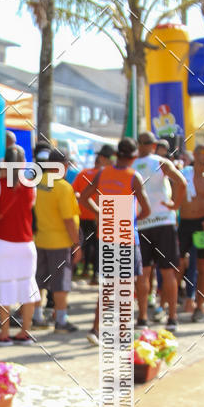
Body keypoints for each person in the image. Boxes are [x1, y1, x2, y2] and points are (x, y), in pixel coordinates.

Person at [78, 138, 151, 345]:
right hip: (126, 236)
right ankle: (122, 334)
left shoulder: (103, 173)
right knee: (126, 285)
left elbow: (83, 198)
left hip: (107, 234)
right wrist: (130, 219)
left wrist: (101, 213)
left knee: (108, 285)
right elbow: (146, 210)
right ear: (134, 156)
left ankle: (95, 328)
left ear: (117, 155)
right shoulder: (133, 176)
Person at [0, 147, 40, 344]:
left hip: (2, 243)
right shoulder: (32, 185)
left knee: (3, 286)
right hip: (26, 244)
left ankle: (4, 333)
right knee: (27, 285)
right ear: (23, 163)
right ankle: (25, 332)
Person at [134, 131, 187, 332]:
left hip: (143, 224)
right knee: (168, 273)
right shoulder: (161, 162)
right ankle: (172, 317)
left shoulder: (130, 165)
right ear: (153, 145)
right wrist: (175, 205)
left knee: (144, 274)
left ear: (139, 145)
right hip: (163, 222)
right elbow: (182, 182)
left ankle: (143, 318)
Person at [32, 146, 81, 332]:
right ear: (64, 165)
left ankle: (36, 316)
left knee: (38, 280)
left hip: (38, 239)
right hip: (59, 242)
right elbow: (69, 220)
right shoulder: (63, 187)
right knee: (60, 283)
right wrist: (76, 244)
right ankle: (61, 320)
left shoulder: (36, 182)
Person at [72, 144, 115, 283]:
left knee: (83, 244)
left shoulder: (83, 173)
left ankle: (83, 269)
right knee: (98, 246)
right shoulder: (107, 176)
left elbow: (75, 193)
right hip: (99, 217)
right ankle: (96, 274)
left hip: (83, 215)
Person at [178, 143, 204, 322]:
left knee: (203, 266)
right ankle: (172, 304)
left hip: (201, 226)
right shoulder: (184, 175)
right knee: (177, 264)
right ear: (195, 155)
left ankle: (200, 306)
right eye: (201, 153)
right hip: (185, 224)